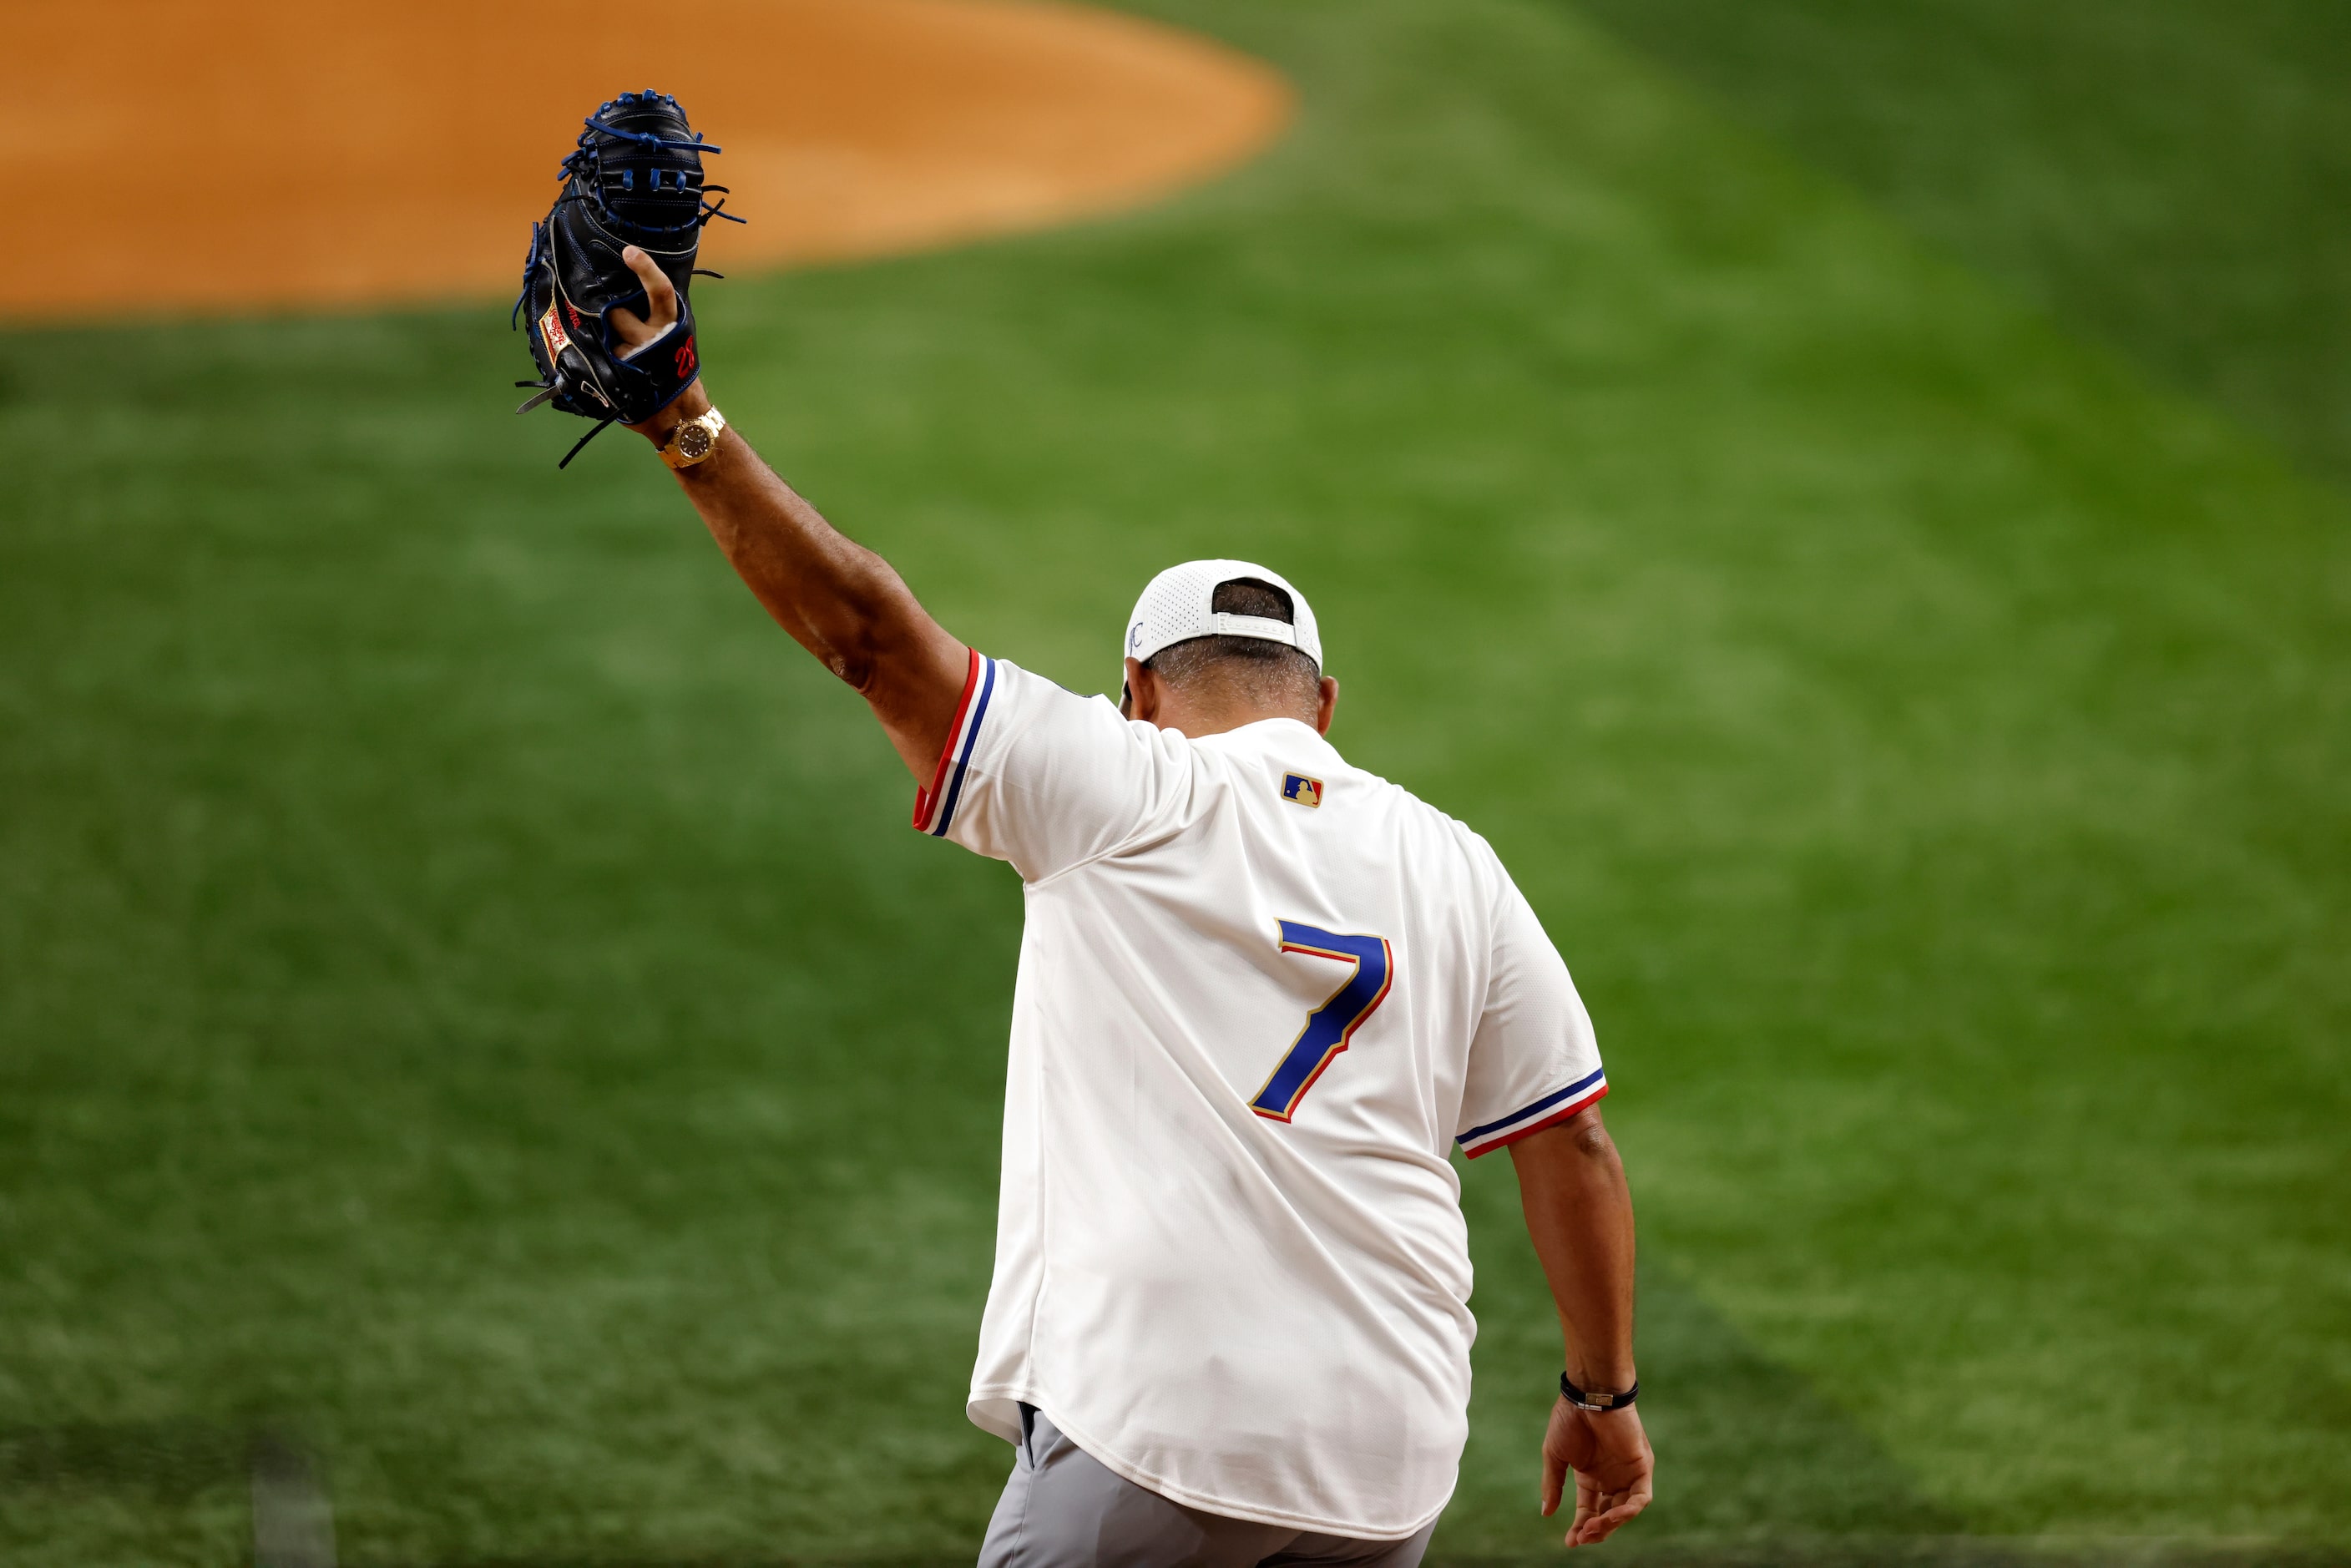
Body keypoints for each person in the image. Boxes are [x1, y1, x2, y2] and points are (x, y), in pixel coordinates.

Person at [595, 246, 1653, 1563]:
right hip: (1388, 1462)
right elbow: (1575, 1144)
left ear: (1137, 686)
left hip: (1162, 1436)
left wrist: (684, 424)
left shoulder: (1124, 785)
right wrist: (1599, 1396)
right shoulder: (1459, 864)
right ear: (1324, 704)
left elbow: (867, 635)